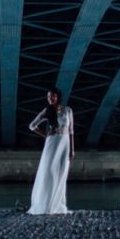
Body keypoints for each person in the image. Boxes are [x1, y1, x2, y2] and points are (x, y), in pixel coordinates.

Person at [27, 87, 74, 215]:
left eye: (52, 96)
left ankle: (58, 204)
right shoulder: (47, 111)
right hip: (52, 143)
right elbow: (32, 126)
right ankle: (46, 204)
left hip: (65, 144)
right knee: (50, 172)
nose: (50, 98)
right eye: (48, 97)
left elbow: (71, 131)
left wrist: (72, 150)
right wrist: (45, 134)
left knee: (62, 172)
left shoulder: (68, 110)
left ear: (58, 97)